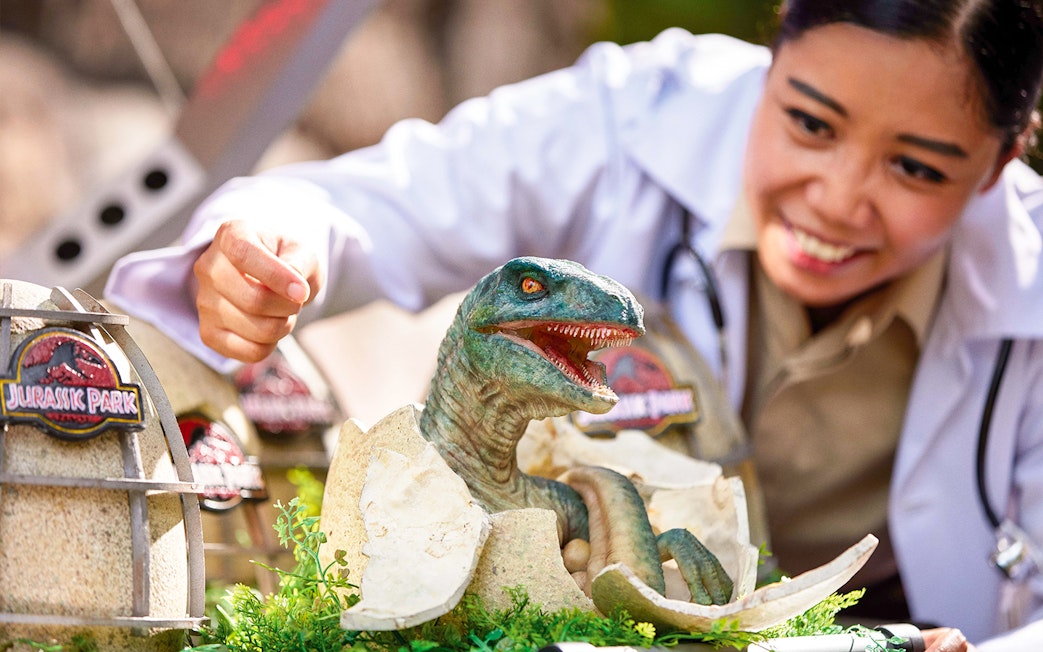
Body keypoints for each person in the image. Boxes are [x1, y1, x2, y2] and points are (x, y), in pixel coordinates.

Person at [105, 0, 1043, 649]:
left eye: (915, 169)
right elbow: (379, 203)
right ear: (770, 64)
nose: (838, 200)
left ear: (1000, 167)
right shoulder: (635, 114)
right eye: (808, 123)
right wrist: (278, 247)